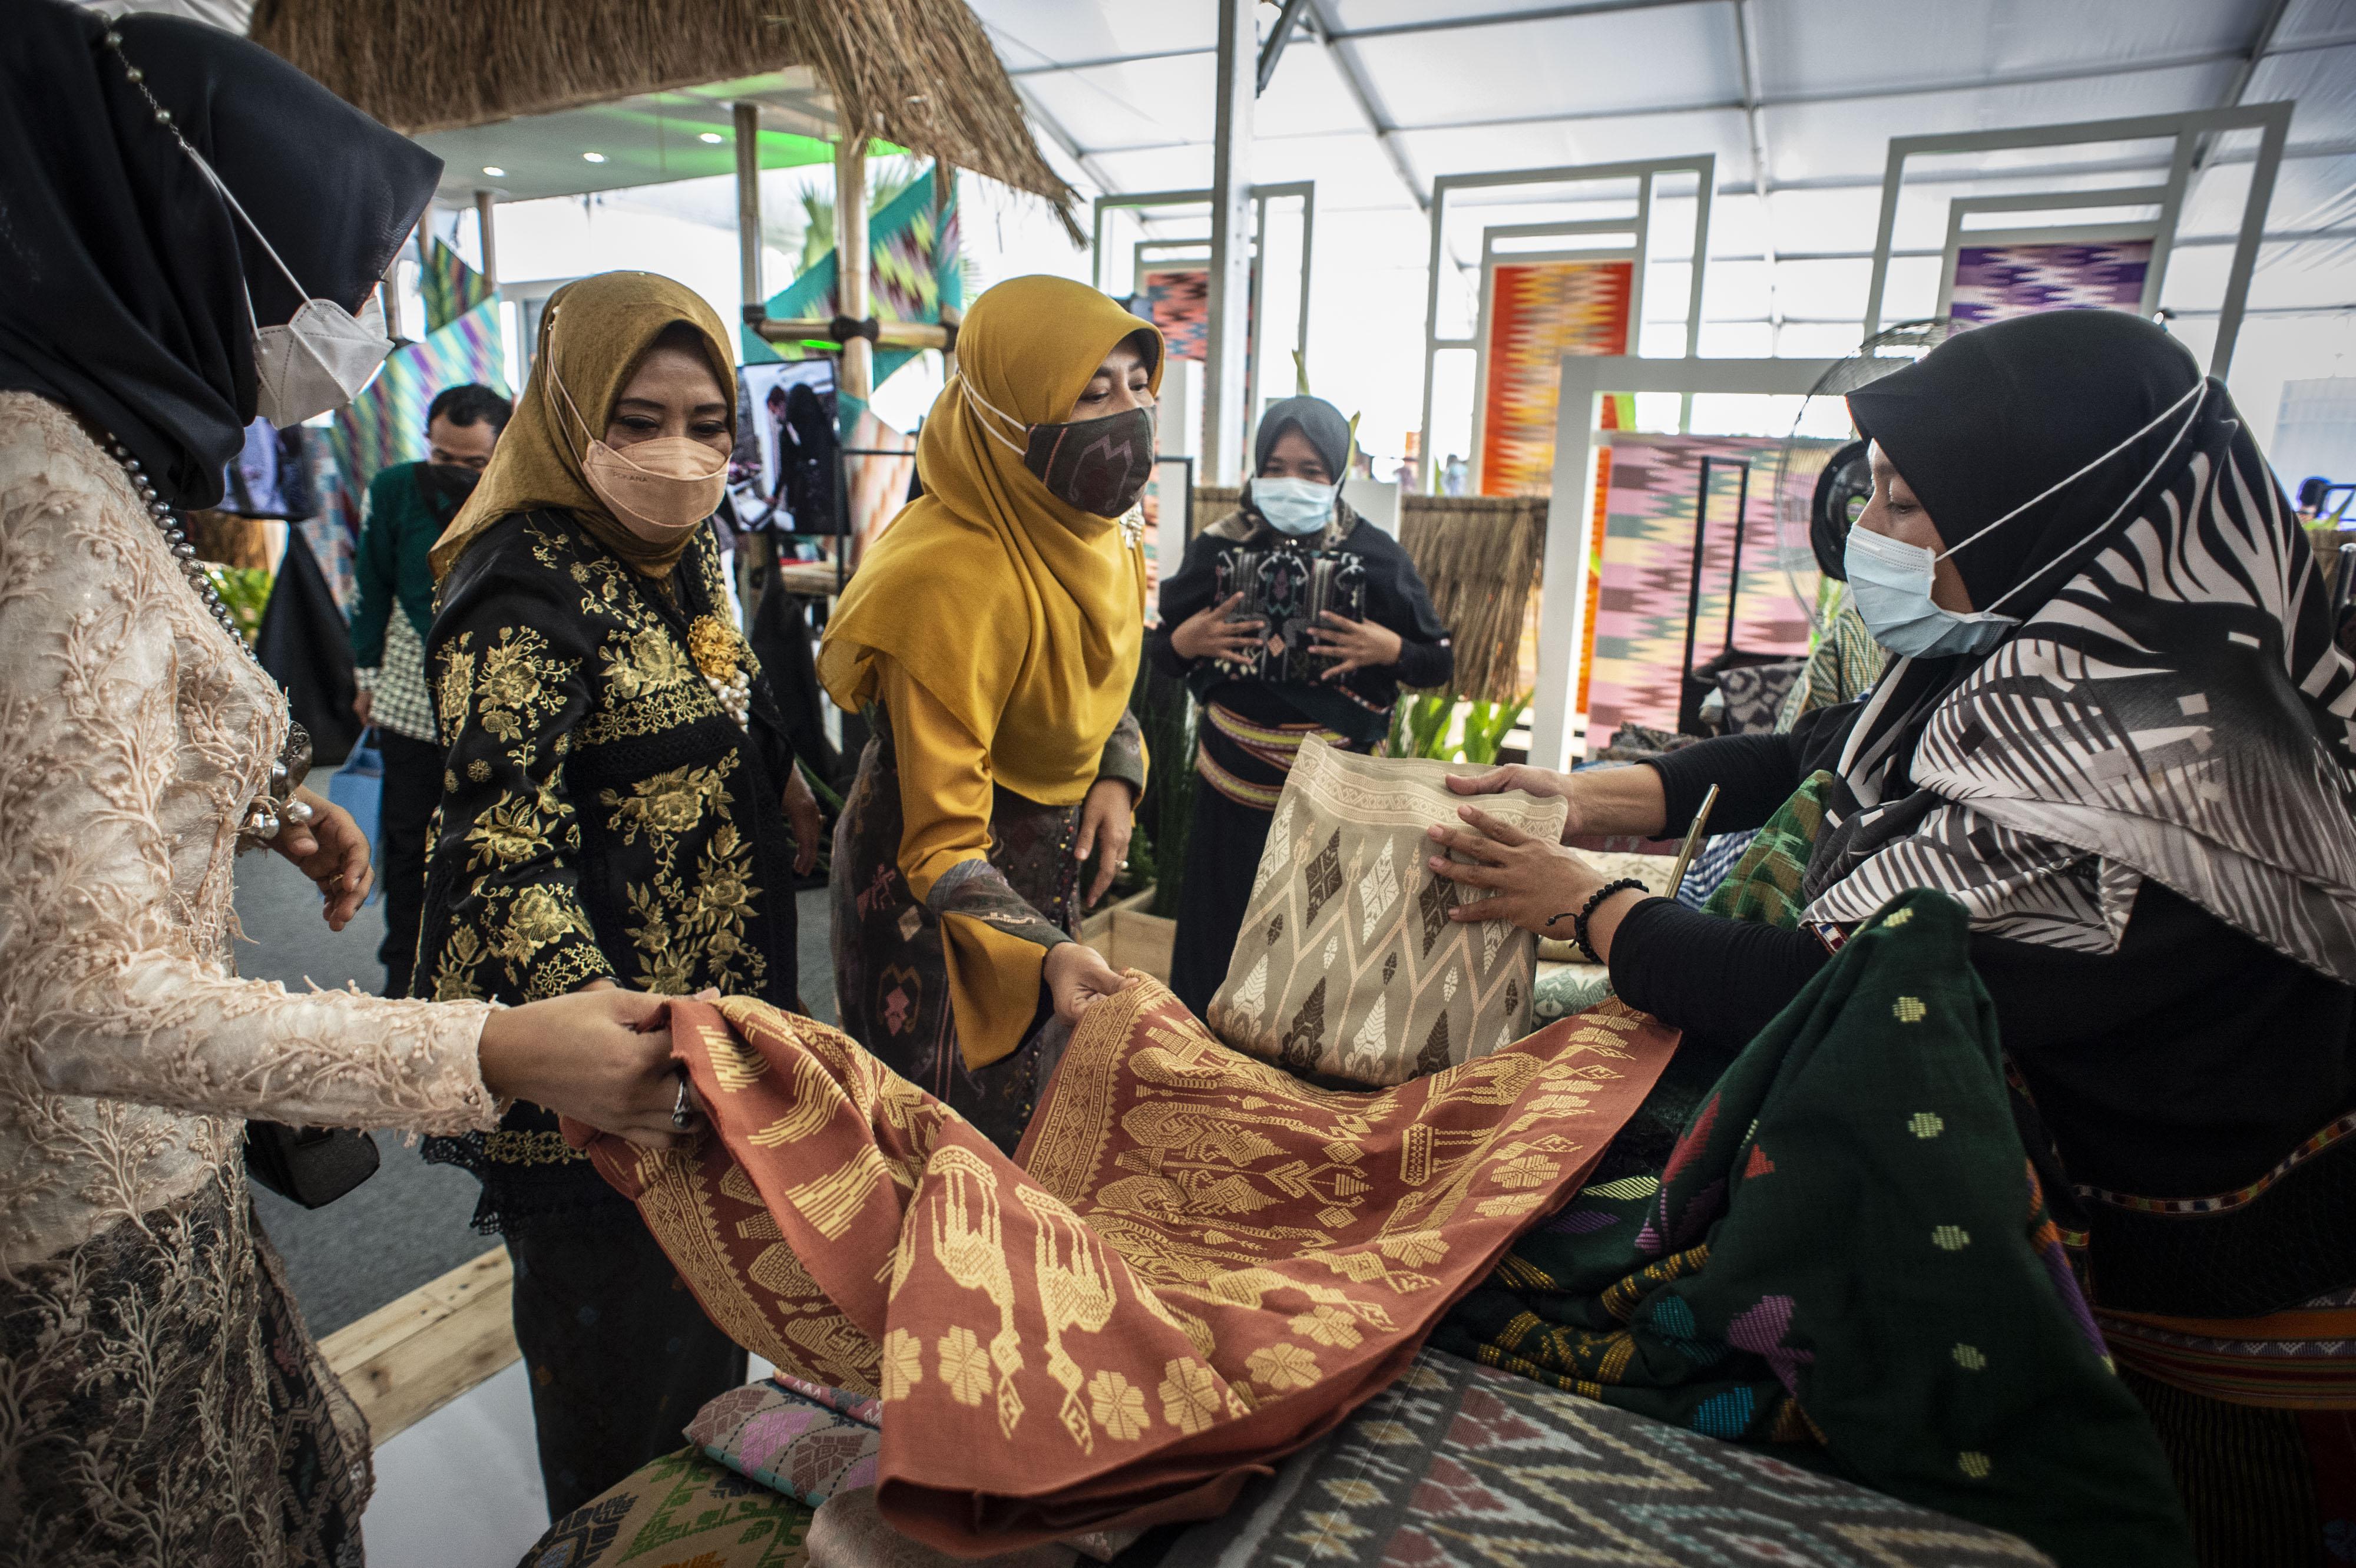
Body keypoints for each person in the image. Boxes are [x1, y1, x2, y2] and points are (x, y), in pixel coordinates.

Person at [1430, 309, 2356, 1559]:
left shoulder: (2148, 770)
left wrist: (1586, 906)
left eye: (1906, 506)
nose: (1867, 535)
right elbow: (1810, 748)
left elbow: (1819, 990)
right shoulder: (2034, 649)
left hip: (2209, 1282)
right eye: (1870, 493)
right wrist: (1582, 796)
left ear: (2047, 515)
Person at [0, 10, 700, 1566]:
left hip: (145, 1172)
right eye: (342, 274)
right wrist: (501, 1042)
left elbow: (41, 782)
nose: (367, 320)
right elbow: (72, 998)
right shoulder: (36, 492)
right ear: (197, 224)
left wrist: (239, 798)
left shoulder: (86, 451)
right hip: (66, 1224)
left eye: (705, 424)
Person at [415, 271, 826, 1517]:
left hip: (702, 1036)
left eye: (708, 422)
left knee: (703, 1356)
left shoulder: (687, 553)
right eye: (638, 418)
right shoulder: (517, 586)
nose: (680, 452)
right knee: (614, 1391)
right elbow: (503, 841)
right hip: (603, 1073)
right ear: (569, 410)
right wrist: (603, 1040)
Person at [819, 274, 1151, 1155]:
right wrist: (1040, 948)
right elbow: (941, 844)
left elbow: (1101, 674)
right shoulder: (948, 581)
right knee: (940, 1139)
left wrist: (1115, 767)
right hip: (929, 905)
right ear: (1011, 410)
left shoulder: (1095, 532)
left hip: (1040, 877)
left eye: (1138, 384)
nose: (1129, 414)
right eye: (1093, 391)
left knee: (1028, 1120)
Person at [1153, 395, 1452, 1015]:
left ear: (1338, 476)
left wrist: (1388, 646)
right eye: (1278, 465)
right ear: (1257, 470)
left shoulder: (1377, 558)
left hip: (1334, 803)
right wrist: (1188, 640)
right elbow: (1162, 651)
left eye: (1312, 471)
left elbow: (1438, 662)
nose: (1292, 482)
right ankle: (1196, 1079)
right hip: (1227, 793)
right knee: (1217, 944)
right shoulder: (1216, 550)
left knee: (1318, 953)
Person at [349, 381, 512, 996]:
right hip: (409, 698)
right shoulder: (393, 489)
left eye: (472, 464)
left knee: (493, 839)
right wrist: (364, 675)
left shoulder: (519, 494)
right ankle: (404, 978)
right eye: (441, 458)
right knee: (408, 835)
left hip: (496, 699)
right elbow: (372, 584)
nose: (454, 474)